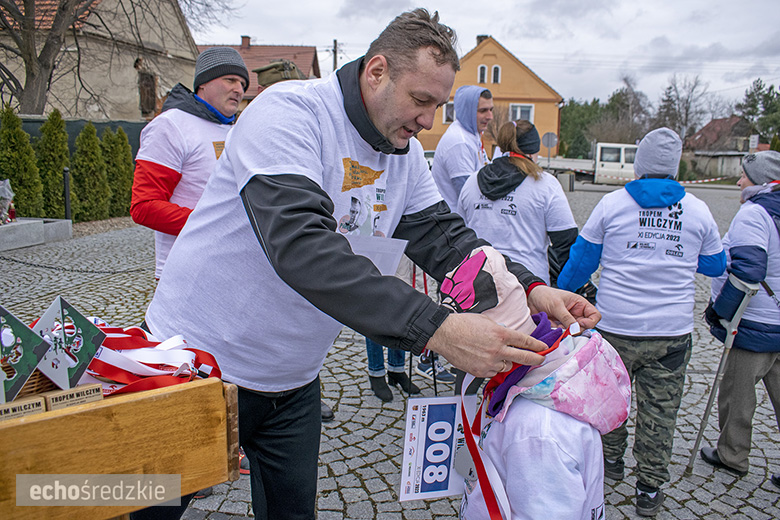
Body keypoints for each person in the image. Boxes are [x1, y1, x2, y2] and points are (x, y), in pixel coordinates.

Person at [144, 9, 599, 519]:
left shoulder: (402, 153)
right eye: (421, 100)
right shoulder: (291, 112)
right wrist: (439, 330)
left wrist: (534, 288)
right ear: (377, 71)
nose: (428, 120)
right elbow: (301, 246)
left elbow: (447, 240)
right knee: (151, 511)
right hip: (198, 363)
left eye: (439, 105)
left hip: (292, 381)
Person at [557, 127, 726, 517]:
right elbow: (715, 264)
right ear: (674, 165)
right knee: (661, 411)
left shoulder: (612, 205)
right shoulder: (698, 211)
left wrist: (559, 294)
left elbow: (581, 263)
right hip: (671, 333)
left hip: (615, 326)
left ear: (640, 162)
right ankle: (649, 488)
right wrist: (676, 254)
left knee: (608, 396)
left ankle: (610, 462)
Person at [454, 120, 578, 395]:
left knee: (471, 369)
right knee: (526, 375)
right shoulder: (545, 183)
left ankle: (464, 428)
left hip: (475, 288)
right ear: (534, 150)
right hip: (528, 294)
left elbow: (457, 235)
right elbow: (566, 241)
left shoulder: (473, 181)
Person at [700, 150, 780, 485]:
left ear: (760, 181)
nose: (738, 180)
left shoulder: (754, 214)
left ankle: (732, 455)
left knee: (738, 395)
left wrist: (721, 313)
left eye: (744, 175)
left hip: (756, 323)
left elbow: (748, 272)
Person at [431, 85, 493, 212]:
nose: (490, 116)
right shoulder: (459, 142)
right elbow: (470, 196)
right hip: (454, 224)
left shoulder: (472, 135)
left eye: (491, 110)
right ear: (467, 110)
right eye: (483, 111)